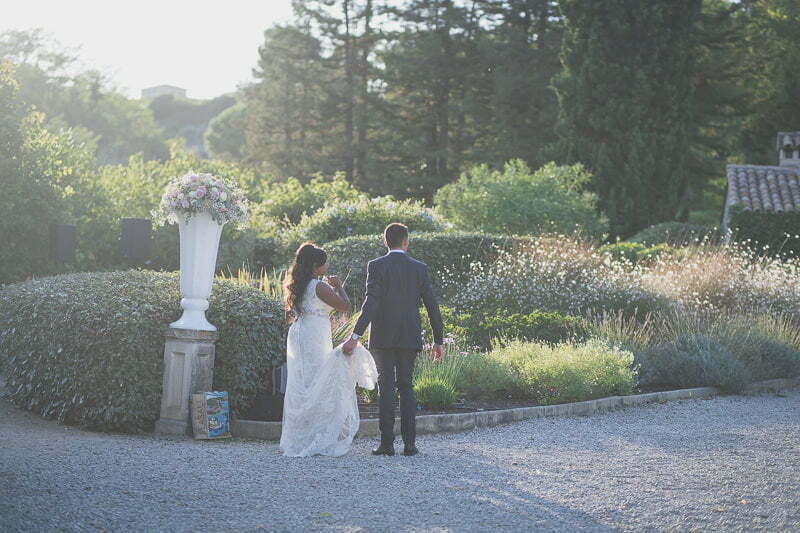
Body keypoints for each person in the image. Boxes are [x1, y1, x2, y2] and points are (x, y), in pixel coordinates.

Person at [342, 223, 444, 457]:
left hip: (382, 336)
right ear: (406, 242)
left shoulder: (376, 266)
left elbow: (371, 303)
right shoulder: (419, 268)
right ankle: (410, 445)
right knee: (407, 387)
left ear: (385, 241)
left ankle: (387, 444)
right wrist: (438, 340)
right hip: (409, 335)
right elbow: (432, 305)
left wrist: (354, 336)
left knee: (386, 387)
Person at [279, 242, 377, 457]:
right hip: (314, 334)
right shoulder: (318, 286)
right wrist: (339, 286)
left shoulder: (295, 284)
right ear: (316, 265)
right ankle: (316, 436)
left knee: (301, 382)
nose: (327, 267)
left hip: (298, 333)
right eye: (324, 264)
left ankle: (298, 437)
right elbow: (345, 306)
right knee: (319, 380)